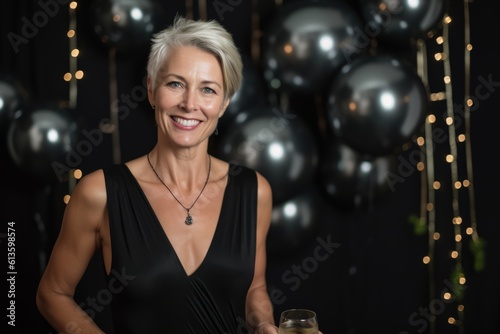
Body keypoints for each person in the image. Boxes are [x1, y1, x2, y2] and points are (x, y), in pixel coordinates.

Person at [36, 16, 280, 334]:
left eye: (208, 89)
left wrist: (263, 324)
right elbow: (52, 294)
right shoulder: (101, 193)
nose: (190, 104)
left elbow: (254, 289)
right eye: (175, 84)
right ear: (152, 90)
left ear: (224, 103)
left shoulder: (254, 191)